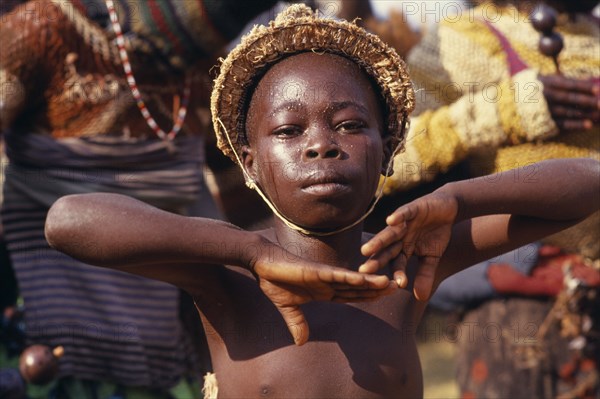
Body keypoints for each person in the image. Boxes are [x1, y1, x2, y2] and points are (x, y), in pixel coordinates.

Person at [42, 5, 600, 398]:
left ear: (388, 151)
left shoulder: (405, 264)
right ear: (249, 161)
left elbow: (588, 180)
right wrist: (247, 252)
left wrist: (456, 197)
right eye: (287, 131)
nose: (320, 143)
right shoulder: (229, 278)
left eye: (351, 124)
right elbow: (67, 221)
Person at [0, 0, 281, 397]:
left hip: (169, 329)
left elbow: (245, 191)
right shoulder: (40, 31)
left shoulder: (202, 71)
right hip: (52, 316)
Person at [373, 1, 600, 397]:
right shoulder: (461, 39)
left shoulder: (594, 32)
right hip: (519, 311)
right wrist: (500, 111)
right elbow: (383, 161)